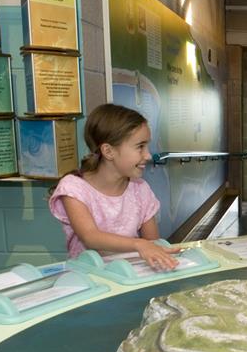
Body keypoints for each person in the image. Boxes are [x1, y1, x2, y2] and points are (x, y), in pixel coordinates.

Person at [48, 103, 180, 271]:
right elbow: (90, 237)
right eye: (140, 147)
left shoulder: (140, 189)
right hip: (89, 277)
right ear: (108, 151)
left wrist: (161, 253)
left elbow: (152, 243)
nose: (148, 155)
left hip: (130, 275)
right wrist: (139, 244)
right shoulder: (74, 188)